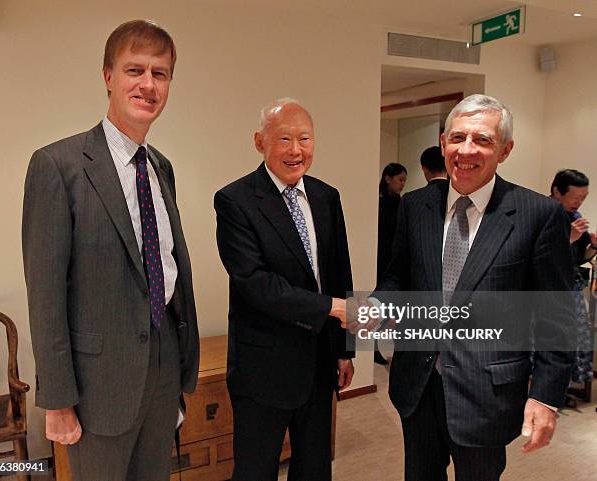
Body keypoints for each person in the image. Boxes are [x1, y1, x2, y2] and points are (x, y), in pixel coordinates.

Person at [22, 20, 199, 481]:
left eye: (160, 74)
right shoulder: (57, 166)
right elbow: (46, 295)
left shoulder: (162, 168)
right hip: (97, 385)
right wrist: (58, 398)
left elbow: (167, 266)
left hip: (163, 370)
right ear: (108, 76)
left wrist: (181, 365)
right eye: (134, 70)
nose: (148, 84)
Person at [372, 94, 575, 481]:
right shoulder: (416, 206)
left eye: (482, 140)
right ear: (443, 141)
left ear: (505, 150)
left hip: (488, 392)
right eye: (458, 138)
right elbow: (399, 275)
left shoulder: (537, 214)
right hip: (418, 383)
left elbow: (558, 314)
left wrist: (546, 395)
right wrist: (380, 304)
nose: (467, 150)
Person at [214, 98, 354, 481]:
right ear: (260, 142)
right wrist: (330, 308)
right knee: (256, 470)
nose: (296, 151)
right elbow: (255, 284)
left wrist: (345, 351)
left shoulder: (327, 197)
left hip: (319, 362)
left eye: (305, 139)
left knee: (314, 468)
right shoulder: (235, 201)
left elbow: (340, 274)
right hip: (263, 370)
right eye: (284, 139)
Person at [551, 169, 596, 391]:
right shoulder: (541, 213)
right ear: (557, 191)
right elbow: (537, 255)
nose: (579, 203)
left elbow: (580, 257)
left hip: (572, 285)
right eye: (575, 197)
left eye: (583, 198)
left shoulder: (575, 218)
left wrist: (593, 246)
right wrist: (567, 238)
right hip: (545, 292)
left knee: (575, 340)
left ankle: (562, 390)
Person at [375, 163, 407, 364]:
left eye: (404, 180)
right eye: (400, 179)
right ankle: (375, 348)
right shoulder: (379, 203)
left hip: (396, 261)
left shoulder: (403, 203)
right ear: (388, 178)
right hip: (382, 259)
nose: (402, 184)